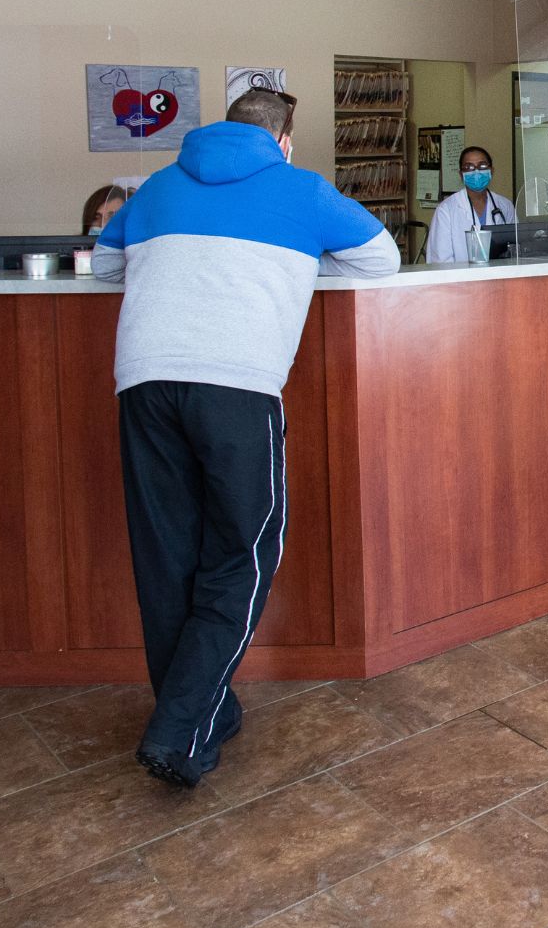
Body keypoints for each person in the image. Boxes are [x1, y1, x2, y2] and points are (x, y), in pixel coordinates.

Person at [90, 87, 399, 789]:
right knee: (244, 553)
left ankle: (205, 709)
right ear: (284, 139)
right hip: (236, 387)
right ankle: (179, 729)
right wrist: (288, 266)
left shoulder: (159, 185)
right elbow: (381, 261)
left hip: (144, 384)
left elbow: (105, 267)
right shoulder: (303, 188)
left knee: (166, 556)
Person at [424, 145, 514, 263]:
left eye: (482, 165)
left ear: (491, 171)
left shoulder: (504, 206)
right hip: (461, 279)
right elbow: (440, 260)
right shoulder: (446, 210)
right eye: (468, 167)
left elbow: (515, 248)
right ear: (461, 175)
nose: (476, 171)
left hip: (499, 277)